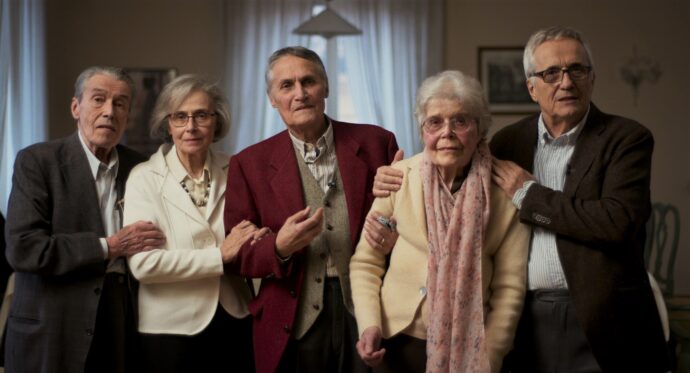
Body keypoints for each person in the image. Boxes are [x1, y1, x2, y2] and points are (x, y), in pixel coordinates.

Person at [374, 26, 671, 373]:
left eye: (577, 70)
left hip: (604, 319)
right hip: (523, 319)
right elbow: (453, 187)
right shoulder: (507, 142)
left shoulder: (627, 139)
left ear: (591, 78)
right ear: (532, 87)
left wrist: (529, 195)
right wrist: (395, 179)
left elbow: (617, 222)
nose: (566, 82)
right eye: (551, 73)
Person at [224, 46, 399, 373]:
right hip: (292, 319)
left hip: (370, 310)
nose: (300, 93)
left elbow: (407, 221)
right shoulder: (249, 164)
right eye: (286, 86)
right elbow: (238, 257)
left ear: (326, 88)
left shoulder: (377, 143)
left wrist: (394, 233)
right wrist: (278, 247)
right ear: (272, 99)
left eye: (309, 81)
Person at [350, 70, 529, 373]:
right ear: (423, 131)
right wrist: (369, 324)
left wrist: (491, 356)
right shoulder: (399, 178)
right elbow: (366, 262)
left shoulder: (504, 194)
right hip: (394, 340)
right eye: (435, 122)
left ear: (480, 129)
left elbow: (510, 286)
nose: (447, 132)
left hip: (470, 347)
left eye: (460, 121)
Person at [4, 66, 166, 373]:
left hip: (120, 318)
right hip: (52, 321)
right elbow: (24, 248)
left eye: (120, 104)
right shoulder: (37, 161)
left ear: (129, 113)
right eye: (99, 99)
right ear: (76, 107)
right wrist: (108, 247)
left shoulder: (142, 167)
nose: (109, 111)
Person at [123, 75, 265, 372]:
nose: (191, 126)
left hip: (234, 317)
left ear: (216, 122)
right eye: (180, 116)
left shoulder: (237, 168)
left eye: (201, 115)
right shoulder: (144, 178)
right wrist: (219, 256)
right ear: (167, 124)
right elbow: (144, 265)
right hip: (170, 328)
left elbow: (256, 235)